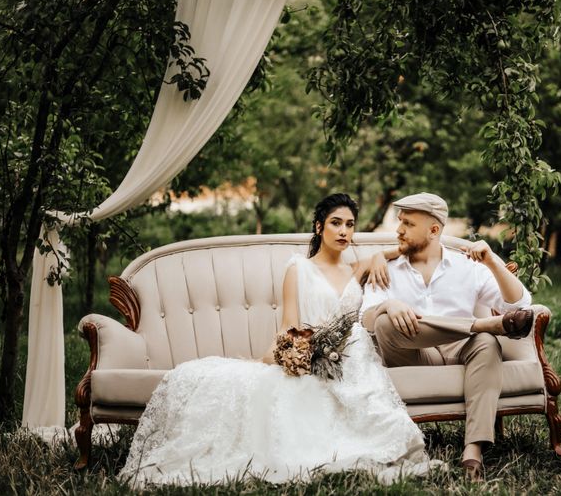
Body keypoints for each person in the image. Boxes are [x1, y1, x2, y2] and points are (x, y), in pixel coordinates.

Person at [119, 193, 434, 487]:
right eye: (336, 223)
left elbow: (407, 247)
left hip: (352, 359)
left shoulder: (357, 268)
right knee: (275, 386)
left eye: (350, 225)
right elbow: (289, 326)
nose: (343, 231)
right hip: (312, 354)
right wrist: (285, 356)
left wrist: (379, 255)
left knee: (375, 409)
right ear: (319, 227)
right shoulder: (299, 268)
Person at [360, 192, 543, 482]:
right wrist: (388, 304)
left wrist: (492, 261)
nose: (399, 230)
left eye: (408, 223)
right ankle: (481, 325)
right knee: (385, 323)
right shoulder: (387, 269)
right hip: (413, 353)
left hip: (460, 350)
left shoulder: (466, 266)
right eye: (400, 222)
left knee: (486, 342)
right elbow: (366, 319)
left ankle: (473, 452)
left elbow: (520, 304)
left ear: (434, 230)